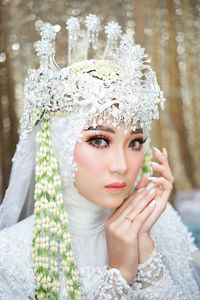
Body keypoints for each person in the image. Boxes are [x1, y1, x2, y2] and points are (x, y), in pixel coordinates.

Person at [0, 14, 199, 300]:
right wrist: (118, 276)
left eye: (135, 143)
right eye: (99, 140)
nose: (121, 166)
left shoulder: (160, 224)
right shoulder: (10, 256)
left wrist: (144, 245)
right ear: (57, 144)